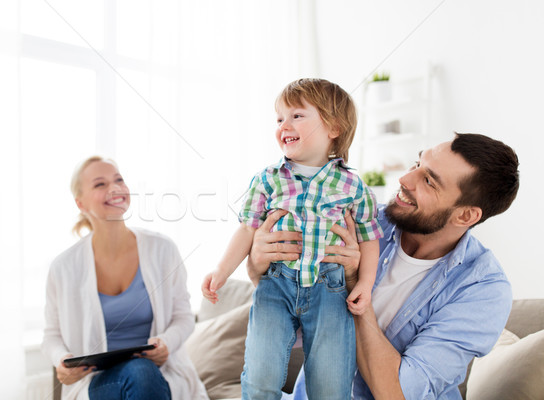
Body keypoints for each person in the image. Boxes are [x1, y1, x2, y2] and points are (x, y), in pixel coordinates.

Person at [247, 133, 520, 399]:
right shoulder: (359, 222)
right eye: (417, 163)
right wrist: (260, 272)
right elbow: (297, 327)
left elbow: (397, 393)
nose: (404, 179)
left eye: (428, 181)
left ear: (465, 215)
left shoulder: (483, 290)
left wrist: (355, 284)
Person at [202, 78, 383, 399]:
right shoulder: (267, 180)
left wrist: (364, 285)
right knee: (260, 375)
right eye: (279, 118)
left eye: (297, 115)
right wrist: (221, 272)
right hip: (275, 285)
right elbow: (247, 229)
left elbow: (369, 239)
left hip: (331, 290)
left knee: (330, 383)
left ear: (334, 128)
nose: (284, 124)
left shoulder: (353, 186)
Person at [41, 156, 208, 400]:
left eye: (118, 180)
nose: (115, 188)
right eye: (100, 184)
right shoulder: (63, 267)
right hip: (98, 382)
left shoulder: (162, 249)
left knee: (142, 373)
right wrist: (62, 361)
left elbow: (183, 317)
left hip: (160, 375)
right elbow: (51, 336)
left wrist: (167, 344)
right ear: (81, 203)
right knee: (140, 373)